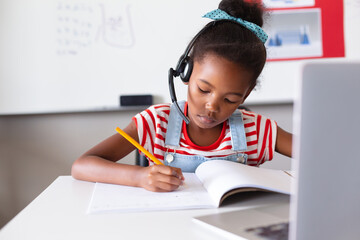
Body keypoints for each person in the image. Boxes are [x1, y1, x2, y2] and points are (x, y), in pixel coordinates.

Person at [71, 0, 292, 192]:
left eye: (230, 100)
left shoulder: (257, 130)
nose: (212, 106)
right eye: (204, 90)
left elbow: (320, 154)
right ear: (185, 71)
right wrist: (139, 177)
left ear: (246, 95)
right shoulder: (156, 122)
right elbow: (82, 165)